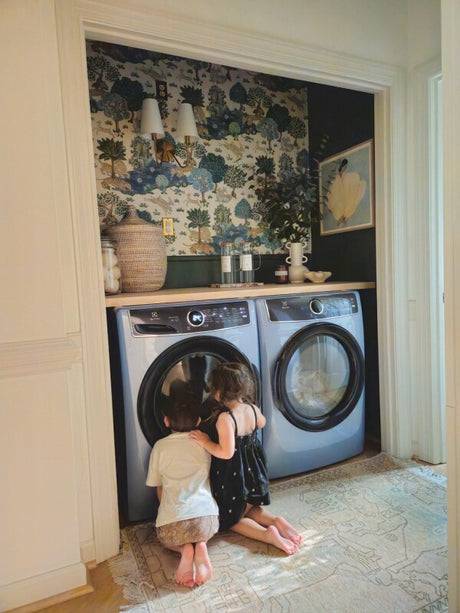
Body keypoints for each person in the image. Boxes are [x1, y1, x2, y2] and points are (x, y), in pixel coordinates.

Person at [189, 362, 302, 555]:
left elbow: (226, 452)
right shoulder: (251, 408)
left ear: (219, 394)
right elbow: (262, 422)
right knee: (248, 507)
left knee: (229, 519)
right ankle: (276, 521)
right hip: (253, 471)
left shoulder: (226, 418)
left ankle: (267, 535)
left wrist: (206, 442)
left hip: (235, 476)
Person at [146, 392, 219, 588]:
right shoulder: (204, 441)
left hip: (173, 523)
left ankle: (184, 549)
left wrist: (167, 511)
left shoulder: (159, 447)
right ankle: (201, 544)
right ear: (199, 421)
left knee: (165, 538)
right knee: (202, 531)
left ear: (165, 421)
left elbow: (158, 485)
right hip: (207, 519)